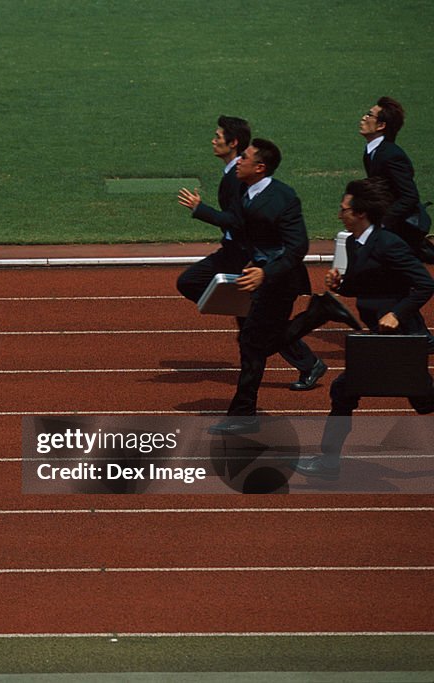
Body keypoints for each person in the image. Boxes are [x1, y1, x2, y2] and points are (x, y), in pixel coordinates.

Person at [294, 178, 434, 480]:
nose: (339, 214)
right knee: (419, 399)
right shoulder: (356, 243)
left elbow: (425, 283)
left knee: (348, 390)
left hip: (401, 340)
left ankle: (328, 461)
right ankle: (329, 461)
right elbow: (367, 284)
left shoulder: (388, 243)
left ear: (360, 214)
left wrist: (397, 313)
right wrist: (341, 284)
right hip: (381, 339)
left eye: (344, 209)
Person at [178, 139, 321, 434]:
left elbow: (297, 248)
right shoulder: (246, 192)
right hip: (258, 275)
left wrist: (265, 273)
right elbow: (235, 223)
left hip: (281, 281)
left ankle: (319, 315)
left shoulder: (283, 197)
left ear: (260, 167)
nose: (238, 160)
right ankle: (244, 412)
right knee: (253, 342)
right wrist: (200, 209)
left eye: (245, 156)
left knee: (254, 343)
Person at [359, 97, 433, 259]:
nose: (364, 118)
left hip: (401, 227)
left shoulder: (391, 155)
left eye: (369, 115)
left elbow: (410, 196)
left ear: (381, 125)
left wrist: (383, 222)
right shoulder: (371, 151)